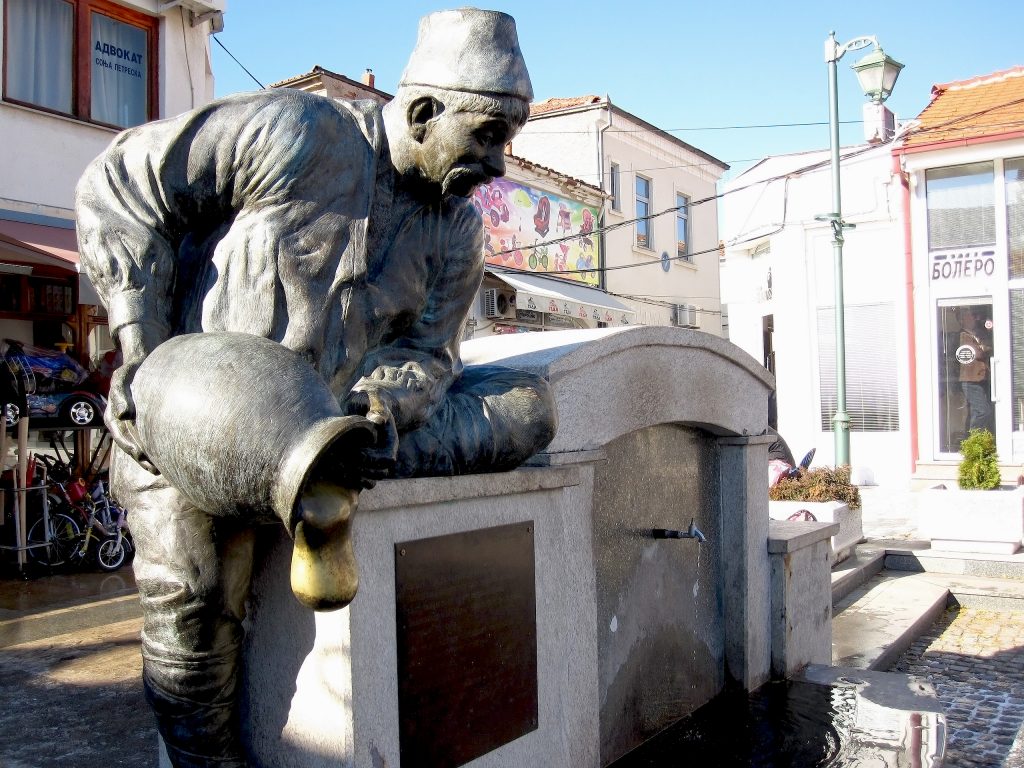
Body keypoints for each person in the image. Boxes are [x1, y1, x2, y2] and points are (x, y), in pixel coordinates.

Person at [75, 10, 555, 767]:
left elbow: (431, 353)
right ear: (425, 114)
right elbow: (122, 184)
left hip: (340, 432)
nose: (498, 165)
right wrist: (141, 343)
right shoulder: (297, 131)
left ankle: (333, 464)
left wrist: (391, 400)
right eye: (489, 136)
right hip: (201, 424)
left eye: (507, 141)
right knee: (194, 609)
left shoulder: (459, 231)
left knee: (529, 410)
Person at [957, 307, 994, 435]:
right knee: (983, 411)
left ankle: (973, 438)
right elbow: (977, 353)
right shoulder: (963, 335)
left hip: (979, 378)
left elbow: (988, 345)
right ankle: (974, 436)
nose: (974, 318)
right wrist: (982, 348)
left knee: (975, 411)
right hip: (970, 380)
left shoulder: (976, 334)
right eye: (971, 316)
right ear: (963, 319)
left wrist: (983, 347)